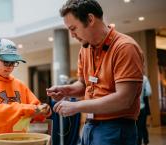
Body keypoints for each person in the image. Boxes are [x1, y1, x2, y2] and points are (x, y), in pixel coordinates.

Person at [46, 0, 144, 145]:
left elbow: (124, 99)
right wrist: (66, 90)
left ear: (90, 19)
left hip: (116, 128)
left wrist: (77, 107)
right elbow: (83, 85)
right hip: (90, 126)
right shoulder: (85, 49)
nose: (72, 35)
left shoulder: (125, 47)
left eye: (73, 28)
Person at [0, 38, 51, 145]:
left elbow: (35, 109)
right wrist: (30, 109)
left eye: (13, 63)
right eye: (6, 62)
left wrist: (44, 110)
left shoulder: (19, 84)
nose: (10, 67)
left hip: (20, 141)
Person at [137, 75, 151, 145]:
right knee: (141, 126)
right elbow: (149, 92)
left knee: (135, 128)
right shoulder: (144, 78)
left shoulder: (129, 75)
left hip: (131, 109)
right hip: (142, 107)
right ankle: (145, 141)